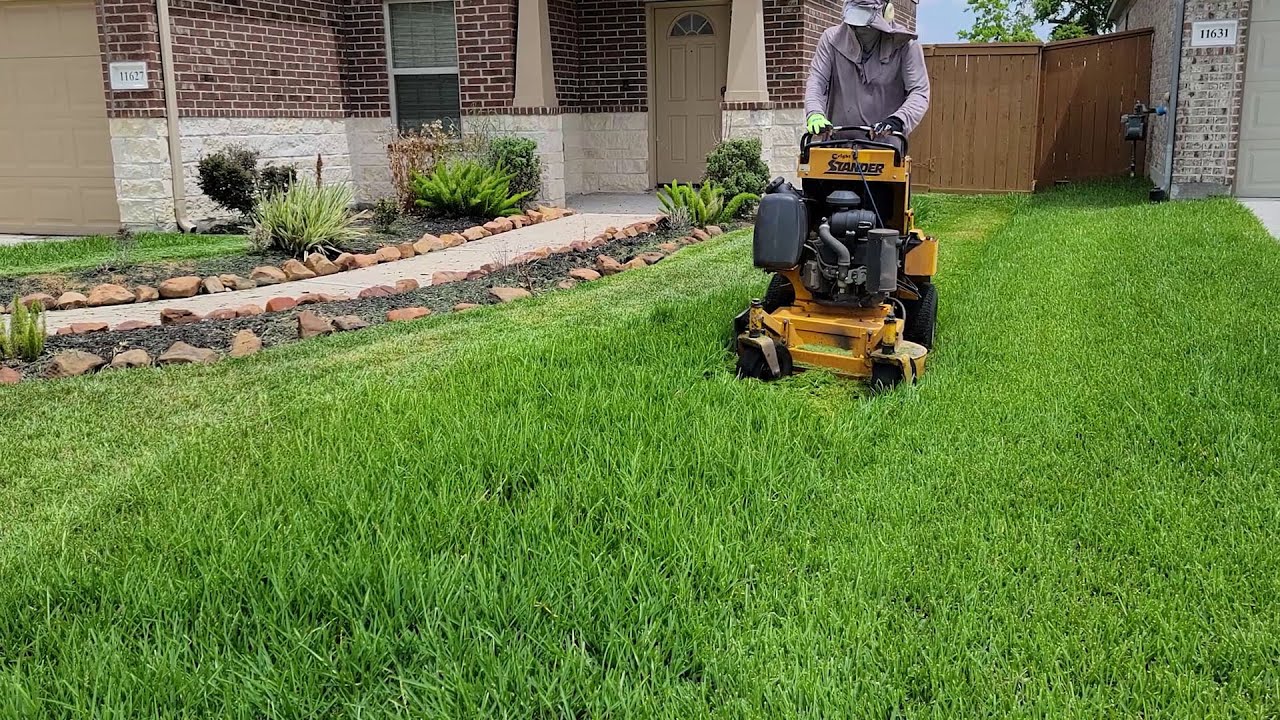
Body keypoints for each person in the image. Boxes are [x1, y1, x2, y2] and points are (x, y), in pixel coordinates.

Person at [804, 0, 930, 147]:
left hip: (885, 148)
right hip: (836, 145)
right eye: (854, 24)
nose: (859, 29)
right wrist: (814, 113)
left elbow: (919, 92)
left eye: (867, 25)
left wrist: (898, 120)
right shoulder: (831, 39)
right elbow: (817, 81)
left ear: (886, 12)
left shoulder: (906, 46)